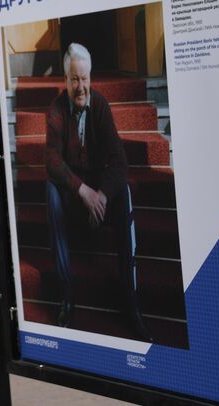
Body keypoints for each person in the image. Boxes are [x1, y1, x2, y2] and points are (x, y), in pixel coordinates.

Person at [45, 43, 152, 342]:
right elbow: (51, 161)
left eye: (85, 79)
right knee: (50, 192)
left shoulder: (101, 106)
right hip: (73, 195)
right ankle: (66, 298)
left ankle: (131, 303)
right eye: (74, 79)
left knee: (125, 193)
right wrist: (83, 192)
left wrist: (101, 196)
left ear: (91, 78)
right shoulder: (55, 111)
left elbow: (120, 160)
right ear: (65, 80)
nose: (81, 87)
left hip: (97, 195)